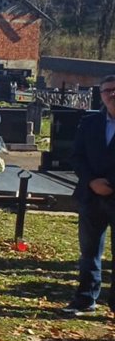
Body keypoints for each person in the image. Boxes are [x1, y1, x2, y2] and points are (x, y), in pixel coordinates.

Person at [61, 75, 115, 316]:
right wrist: (92, 181)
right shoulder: (90, 122)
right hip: (91, 196)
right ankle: (85, 299)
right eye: (107, 91)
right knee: (89, 251)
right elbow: (76, 156)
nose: (112, 94)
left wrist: (110, 184)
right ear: (101, 95)